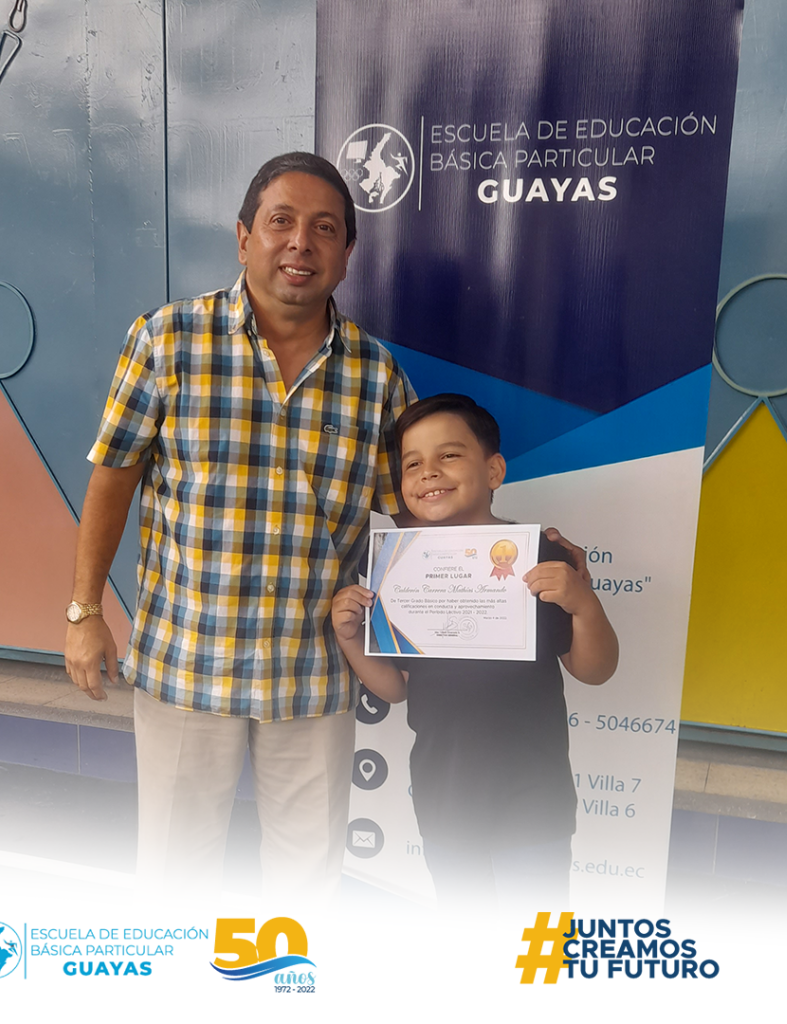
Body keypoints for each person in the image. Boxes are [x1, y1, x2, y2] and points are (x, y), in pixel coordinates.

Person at [63, 152, 417, 901]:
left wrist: (505, 558)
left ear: (348, 253)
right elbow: (113, 477)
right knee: (175, 877)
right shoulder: (167, 340)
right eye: (280, 222)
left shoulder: (377, 376)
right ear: (243, 237)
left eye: (325, 229)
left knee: (307, 884)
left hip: (313, 672)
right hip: (188, 664)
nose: (300, 243)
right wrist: (85, 611)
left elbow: (418, 513)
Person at [330, 393, 619, 912]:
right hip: (443, 797)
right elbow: (396, 689)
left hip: (534, 797)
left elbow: (594, 670)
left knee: (537, 936)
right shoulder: (396, 569)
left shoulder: (540, 557)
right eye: (412, 464)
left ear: (493, 470)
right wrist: (350, 637)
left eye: (449, 455)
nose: (428, 472)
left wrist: (584, 604)